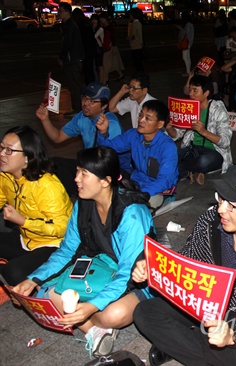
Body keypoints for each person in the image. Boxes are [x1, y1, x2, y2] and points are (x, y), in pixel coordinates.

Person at [132, 165, 236, 366]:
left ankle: (179, 346)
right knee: (145, 312)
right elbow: (188, 262)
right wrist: (154, 268)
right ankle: (196, 347)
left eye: (231, 205)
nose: (221, 209)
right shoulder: (210, 221)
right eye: (220, 199)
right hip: (204, 301)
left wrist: (232, 337)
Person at [13, 146, 155, 357]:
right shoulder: (82, 205)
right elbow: (67, 251)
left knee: (113, 315)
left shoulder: (132, 213)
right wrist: (34, 278)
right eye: (77, 171)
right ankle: (94, 331)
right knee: (44, 293)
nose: (76, 178)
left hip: (135, 276)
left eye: (84, 174)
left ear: (105, 181)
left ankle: (91, 320)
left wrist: (92, 307)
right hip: (98, 267)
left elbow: (129, 271)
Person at [0, 126, 72, 286]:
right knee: (12, 271)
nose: (2, 154)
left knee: (13, 272)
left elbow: (63, 227)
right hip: (26, 239)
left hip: (55, 245)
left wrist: (24, 222)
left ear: (27, 157)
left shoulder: (46, 184)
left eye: (9, 151)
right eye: (1, 148)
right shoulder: (6, 176)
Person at [35, 82, 126, 197]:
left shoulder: (111, 123)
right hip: (89, 165)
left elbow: (108, 161)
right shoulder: (81, 117)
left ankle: (84, 195)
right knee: (53, 163)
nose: (86, 104)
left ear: (103, 106)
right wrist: (45, 119)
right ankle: (78, 194)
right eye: (84, 98)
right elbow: (57, 137)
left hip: (110, 170)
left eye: (92, 101)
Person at [96, 99, 178, 209]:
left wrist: (138, 193)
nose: (141, 120)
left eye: (147, 118)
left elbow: (165, 180)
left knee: (139, 204)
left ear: (160, 124)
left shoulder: (167, 146)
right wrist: (103, 132)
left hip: (157, 189)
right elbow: (107, 150)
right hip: (136, 182)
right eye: (141, 115)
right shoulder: (133, 135)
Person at [165, 75, 232, 183]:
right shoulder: (188, 108)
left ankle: (185, 170)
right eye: (190, 90)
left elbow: (225, 142)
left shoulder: (218, 110)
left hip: (214, 151)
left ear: (206, 93)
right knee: (169, 154)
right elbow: (176, 134)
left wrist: (203, 132)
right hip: (194, 149)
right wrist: (169, 128)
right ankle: (191, 171)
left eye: (195, 90)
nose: (190, 94)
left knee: (202, 162)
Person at [57, 2, 85, 118]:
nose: (59, 14)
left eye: (61, 11)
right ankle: (79, 107)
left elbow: (67, 44)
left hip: (72, 60)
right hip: (75, 59)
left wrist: (62, 57)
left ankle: (77, 109)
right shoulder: (70, 25)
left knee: (74, 86)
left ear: (67, 12)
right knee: (76, 85)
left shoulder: (69, 25)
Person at [100, 14, 124, 82]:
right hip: (110, 46)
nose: (101, 20)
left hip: (109, 47)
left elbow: (112, 37)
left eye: (102, 19)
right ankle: (119, 74)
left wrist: (113, 46)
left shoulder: (107, 28)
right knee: (113, 62)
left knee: (107, 62)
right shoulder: (106, 27)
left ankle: (107, 77)